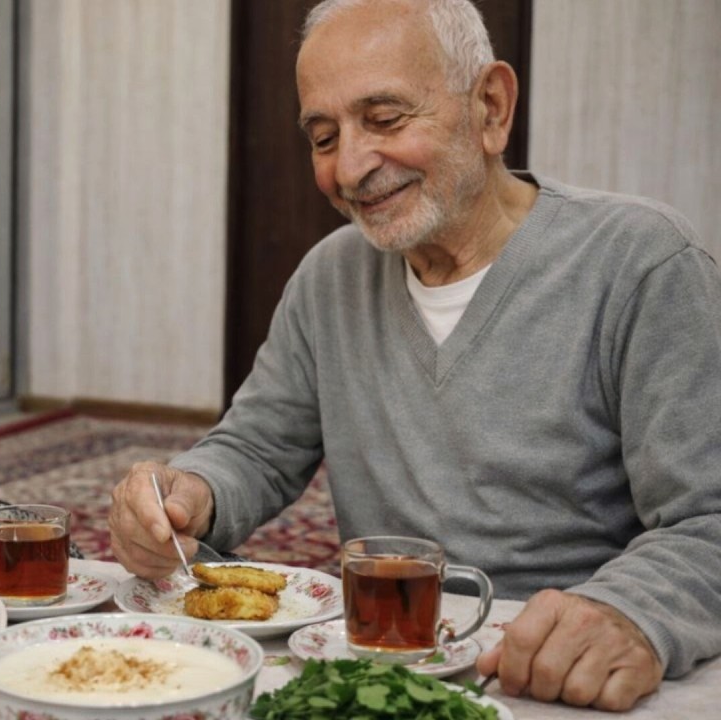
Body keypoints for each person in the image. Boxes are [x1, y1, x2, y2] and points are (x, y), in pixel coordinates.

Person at [108, 0, 721, 711]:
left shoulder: (643, 263)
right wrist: (190, 494)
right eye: (323, 136)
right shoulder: (327, 275)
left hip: (562, 678)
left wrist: (634, 612)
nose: (351, 166)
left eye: (386, 119)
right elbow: (256, 449)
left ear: (490, 107)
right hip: (382, 666)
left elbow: (708, 517)